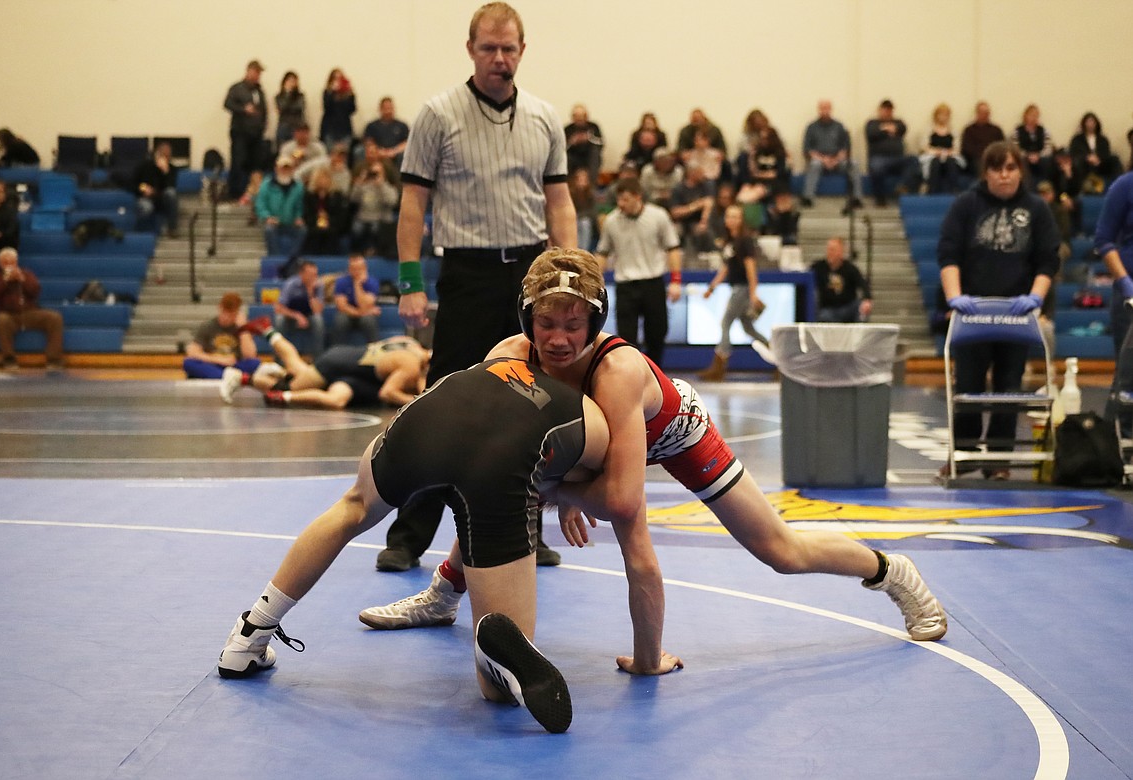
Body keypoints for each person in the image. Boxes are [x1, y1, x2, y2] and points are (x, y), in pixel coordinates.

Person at [359, 248, 949, 648]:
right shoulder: (510, 356)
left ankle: (891, 570)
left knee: (781, 550)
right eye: (546, 323)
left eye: (573, 324)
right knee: (498, 480)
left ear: (596, 324)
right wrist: (550, 481)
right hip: (592, 439)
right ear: (526, 318)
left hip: (670, 430)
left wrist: (560, 489)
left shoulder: (616, 371)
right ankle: (443, 593)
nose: (559, 339)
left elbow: (620, 499)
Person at [217, 354, 631, 733]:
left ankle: (250, 632)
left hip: (429, 419)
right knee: (495, 692)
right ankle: (495, 661)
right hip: (501, 466)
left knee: (353, 507)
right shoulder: (593, 411)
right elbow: (617, 500)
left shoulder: (505, 351)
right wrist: (565, 494)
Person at [376, 1, 578, 573]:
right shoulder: (437, 114)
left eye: (509, 48)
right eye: (489, 48)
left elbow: (558, 200)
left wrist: (567, 274)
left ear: (522, 50)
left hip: (530, 278)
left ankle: (526, 532)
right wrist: (410, 280)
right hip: (466, 273)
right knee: (442, 404)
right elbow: (413, 202)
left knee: (533, 403)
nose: (499, 59)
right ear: (470, 50)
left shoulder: (544, 118)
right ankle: (408, 535)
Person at [938, 140, 1059, 480]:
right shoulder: (966, 205)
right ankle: (963, 454)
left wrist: (1035, 298)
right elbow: (948, 253)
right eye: (996, 169)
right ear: (986, 172)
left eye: (1010, 168)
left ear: (1020, 171)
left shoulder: (1037, 209)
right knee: (968, 386)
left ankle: (999, 460)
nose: (1004, 176)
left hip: (1016, 313)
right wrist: (954, 298)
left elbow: (1048, 259)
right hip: (974, 310)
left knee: (1008, 387)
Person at [221, 320, 428, 409]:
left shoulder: (409, 344)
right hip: (338, 366)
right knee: (289, 384)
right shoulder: (411, 367)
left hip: (345, 356)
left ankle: (268, 334)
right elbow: (387, 393)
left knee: (297, 369)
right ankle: (246, 373)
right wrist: (416, 401)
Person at [596, 178, 682, 367]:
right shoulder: (611, 221)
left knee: (657, 332)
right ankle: (631, 373)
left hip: (652, 282)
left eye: (626, 200)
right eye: (619, 200)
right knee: (626, 337)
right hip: (626, 284)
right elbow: (603, 252)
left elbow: (672, 248)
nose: (621, 204)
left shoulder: (658, 216)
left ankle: (656, 371)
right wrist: (594, 280)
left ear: (638, 197)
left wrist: (676, 280)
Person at [699, 203, 775, 380]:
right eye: (729, 216)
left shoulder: (745, 241)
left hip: (742, 289)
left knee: (726, 322)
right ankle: (779, 357)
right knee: (749, 328)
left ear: (741, 220)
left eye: (735, 217)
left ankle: (720, 364)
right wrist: (712, 287)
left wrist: (753, 292)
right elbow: (726, 267)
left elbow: (751, 268)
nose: (731, 220)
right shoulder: (730, 241)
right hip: (737, 287)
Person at [1094, 170, 1133, 435]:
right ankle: (1121, 448)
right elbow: (1103, 240)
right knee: (1128, 375)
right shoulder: (1125, 186)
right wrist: (1125, 282)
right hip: (1130, 295)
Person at [0, 247, 64, 370]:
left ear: (16, 262)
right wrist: (5, 281)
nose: (9, 265)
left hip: (30, 313)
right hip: (9, 315)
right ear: (0, 264)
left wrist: (22, 279)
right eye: (5, 263)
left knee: (55, 318)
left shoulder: (26, 273)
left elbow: (36, 291)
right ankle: (9, 359)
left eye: (12, 262)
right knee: (0, 320)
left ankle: (54, 359)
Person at [801, 99, 863, 213]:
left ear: (831, 109)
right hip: (819, 160)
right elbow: (808, 149)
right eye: (822, 108)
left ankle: (857, 198)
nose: (825, 111)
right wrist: (824, 160)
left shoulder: (839, 126)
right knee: (814, 164)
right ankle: (808, 198)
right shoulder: (811, 127)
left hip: (837, 160)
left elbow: (845, 148)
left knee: (854, 164)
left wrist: (835, 159)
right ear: (818, 110)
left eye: (827, 108)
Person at [182, 292, 261, 380]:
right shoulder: (208, 326)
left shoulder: (242, 328)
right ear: (219, 308)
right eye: (224, 312)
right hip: (212, 365)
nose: (226, 317)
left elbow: (250, 355)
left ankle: (225, 377)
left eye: (231, 315)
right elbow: (192, 351)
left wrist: (243, 329)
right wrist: (218, 359)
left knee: (255, 363)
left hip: (233, 366)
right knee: (188, 363)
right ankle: (231, 377)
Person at [223, 59, 268, 201]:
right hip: (240, 132)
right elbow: (227, 104)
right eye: (256, 72)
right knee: (239, 161)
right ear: (248, 71)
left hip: (256, 134)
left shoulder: (259, 91)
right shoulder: (237, 88)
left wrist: (262, 125)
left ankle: (251, 192)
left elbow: (263, 110)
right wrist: (243, 109)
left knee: (254, 163)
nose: (257, 76)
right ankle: (235, 192)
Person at [864, 99, 919, 207]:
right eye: (884, 110)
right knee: (876, 166)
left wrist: (888, 129)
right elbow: (871, 134)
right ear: (879, 110)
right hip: (879, 159)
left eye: (889, 110)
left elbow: (903, 129)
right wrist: (886, 129)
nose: (887, 112)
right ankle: (880, 199)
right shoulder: (872, 123)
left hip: (898, 159)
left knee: (914, 160)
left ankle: (902, 187)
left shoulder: (898, 122)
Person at [810, 236, 873, 323]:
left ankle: (858, 334)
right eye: (828, 249)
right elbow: (806, 277)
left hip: (847, 307)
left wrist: (867, 299)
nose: (829, 253)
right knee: (823, 315)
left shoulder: (850, 268)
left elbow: (863, 284)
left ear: (840, 252)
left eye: (833, 250)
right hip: (827, 309)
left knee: (859, 307)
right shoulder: (818, 267)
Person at [348, 154, 400, 255]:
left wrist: (381, 185)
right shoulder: (364, 186)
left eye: (378, 173)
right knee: (356, 229)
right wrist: (359, 183)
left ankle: (374, 252)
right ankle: (357, 253)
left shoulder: (388, 187)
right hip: (363, 217)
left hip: (381, 218)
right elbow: (353, 199)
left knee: (375, 228)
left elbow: (392, 201)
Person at [274, 258, 325, 358]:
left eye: (315, 274)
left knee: (318, 320)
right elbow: (279, 308)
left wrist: (311, 292)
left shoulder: (319, 286)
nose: (314, 277)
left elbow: (317, 311)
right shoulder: (291, 284)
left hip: (309, 316)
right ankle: (279, 360)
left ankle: (318, 359)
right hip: (290, 316)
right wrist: (297, 316)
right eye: (311, 275)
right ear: (301, 274)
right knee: (279, 320)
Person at [256, 156, 306, 256]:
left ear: (293, 170)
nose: (285, 170)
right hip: (274, 223)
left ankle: (293, 258)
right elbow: (260, 204)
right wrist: (267, 217)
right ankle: (275, 257)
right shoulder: (267, 185)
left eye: (288, 168)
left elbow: (300, 206)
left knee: (302, 230)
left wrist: (298, 217)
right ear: (276, 169)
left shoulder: (298, 187)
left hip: (291, 223)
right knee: (269, 230)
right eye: (283, 168)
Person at [329, 254, 381, 345]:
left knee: (368, 320)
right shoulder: (341, 282)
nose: (356, 271)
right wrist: (361, 312)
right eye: (353, 268)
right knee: (340, 320)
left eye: (359, 268)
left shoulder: (372, 282)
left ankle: (374, 350)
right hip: (348, 313)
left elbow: (364, 305)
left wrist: (357, 284)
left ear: (365, 268)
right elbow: (342, 306)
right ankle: (338, 351)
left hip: (365, 315)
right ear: (349, 269)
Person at [301, 166, 351, 255]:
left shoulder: (337, 196)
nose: (323, 181)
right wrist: (317, 218)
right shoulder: (309, 196)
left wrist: (328, 218)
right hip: (313, 225)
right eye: (320, 178)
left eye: (326, 178)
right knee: (314, 233)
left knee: (330, 233)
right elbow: (306, 214)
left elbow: (341, 216)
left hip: (332, 225)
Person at [134, 141, 179, 237]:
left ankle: (172, 228)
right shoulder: (145, 166)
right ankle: (141, 233)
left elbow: (171, 187)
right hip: (146, 198)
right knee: (146, 207)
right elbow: (135, 183)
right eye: (163, 155)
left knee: (171, 193)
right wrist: (143, 188)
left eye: (168, 156)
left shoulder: (172, 169)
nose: (165, 158)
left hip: (161, 199)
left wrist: (165, 172)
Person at [919, 103, 964, 195]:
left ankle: (954, 190)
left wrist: (948, 152)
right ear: (936, 116)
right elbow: (923, 146)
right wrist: (936, 152)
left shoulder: (953, 131)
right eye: (941, 114)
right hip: (933, 156)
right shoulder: (928, 130)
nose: (943, 117)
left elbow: (957, 147)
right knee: (935, 162)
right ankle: (931, 190)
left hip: (949, 155)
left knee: (951, 162)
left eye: (945, 115)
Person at [1068, 112, 1121, 186]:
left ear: (1096, 124)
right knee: (1077, 162)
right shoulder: (1077, 139)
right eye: (1088, 122)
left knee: (1115, 159)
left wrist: (1098, 159)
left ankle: (1118, 185)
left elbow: (1106, 153)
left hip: (1100, 164)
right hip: (1084, 164)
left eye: (1093, 122)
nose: (1090, 124)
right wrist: (1087, 157)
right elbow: (1073, 153)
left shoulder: (1103, 139)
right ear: (1084, 124)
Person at [1011, 104, 1055, 187]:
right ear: (1025, 116)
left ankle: (1044, 186)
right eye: (1031, 115)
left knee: (1047, 160)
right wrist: (1028, 156)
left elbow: (1048, 148)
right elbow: (1015, 148)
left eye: (1036, 116)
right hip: (1024, 157)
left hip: (1040, 158)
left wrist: (1038, 155)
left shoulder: (1044, 131)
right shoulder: (1017, 131)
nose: (1033, 118)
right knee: (1021, 161)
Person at [959, 101, 1004, 179]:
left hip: (994, 157)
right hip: (975, 159)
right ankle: (983, 187)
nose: (984, 115)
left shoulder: (996, 130)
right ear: (977, 113)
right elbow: (966, 148)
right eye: (982, 112)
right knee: (980, 163)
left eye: (986, 112)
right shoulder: (969, 130)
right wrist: (982, 154)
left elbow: (1002, 146)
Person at [362, 97, 410, 168]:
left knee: (403, 155)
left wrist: (393, 152)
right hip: (377, 152)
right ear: (380, 109)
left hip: (396, 153)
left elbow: (406, 143)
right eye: (385, 108)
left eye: (390, 108)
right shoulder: (372, 126)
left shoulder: (402, 125)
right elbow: (369, 142)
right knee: (359, 151)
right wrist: (379, 152)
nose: (388, 111)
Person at [320, 68, 357, 151]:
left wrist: (348, 94)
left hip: (345, 130)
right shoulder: (327, 93)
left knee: (343, 154)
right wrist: (332, 93)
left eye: (340, 79)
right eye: (335, 78)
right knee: (330, 154)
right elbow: (326, 108)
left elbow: (352, 110)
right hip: (330, 130)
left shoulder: (349, 94)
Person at [564, 103, 603, 181]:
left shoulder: (594, 127)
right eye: (576, 117)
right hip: (573, 156)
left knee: (595, 152)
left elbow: (601, 143)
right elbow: (561, 149)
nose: (579, 119)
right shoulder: (567, 129)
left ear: (586, 116)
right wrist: (572, 142)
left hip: (589, 156)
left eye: (581, 117)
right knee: (566, 158)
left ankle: (592, 184)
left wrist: (589, 139)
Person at [274, 71, 306, 148]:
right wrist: (287, 94)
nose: (291, 84)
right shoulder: (279, 96)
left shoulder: (300, 96)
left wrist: (288, 107)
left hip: (296, 127)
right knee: (282, 150)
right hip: (283, 126)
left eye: (294, 81)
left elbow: (299, 107)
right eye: (289, 81)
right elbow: (281, 107)